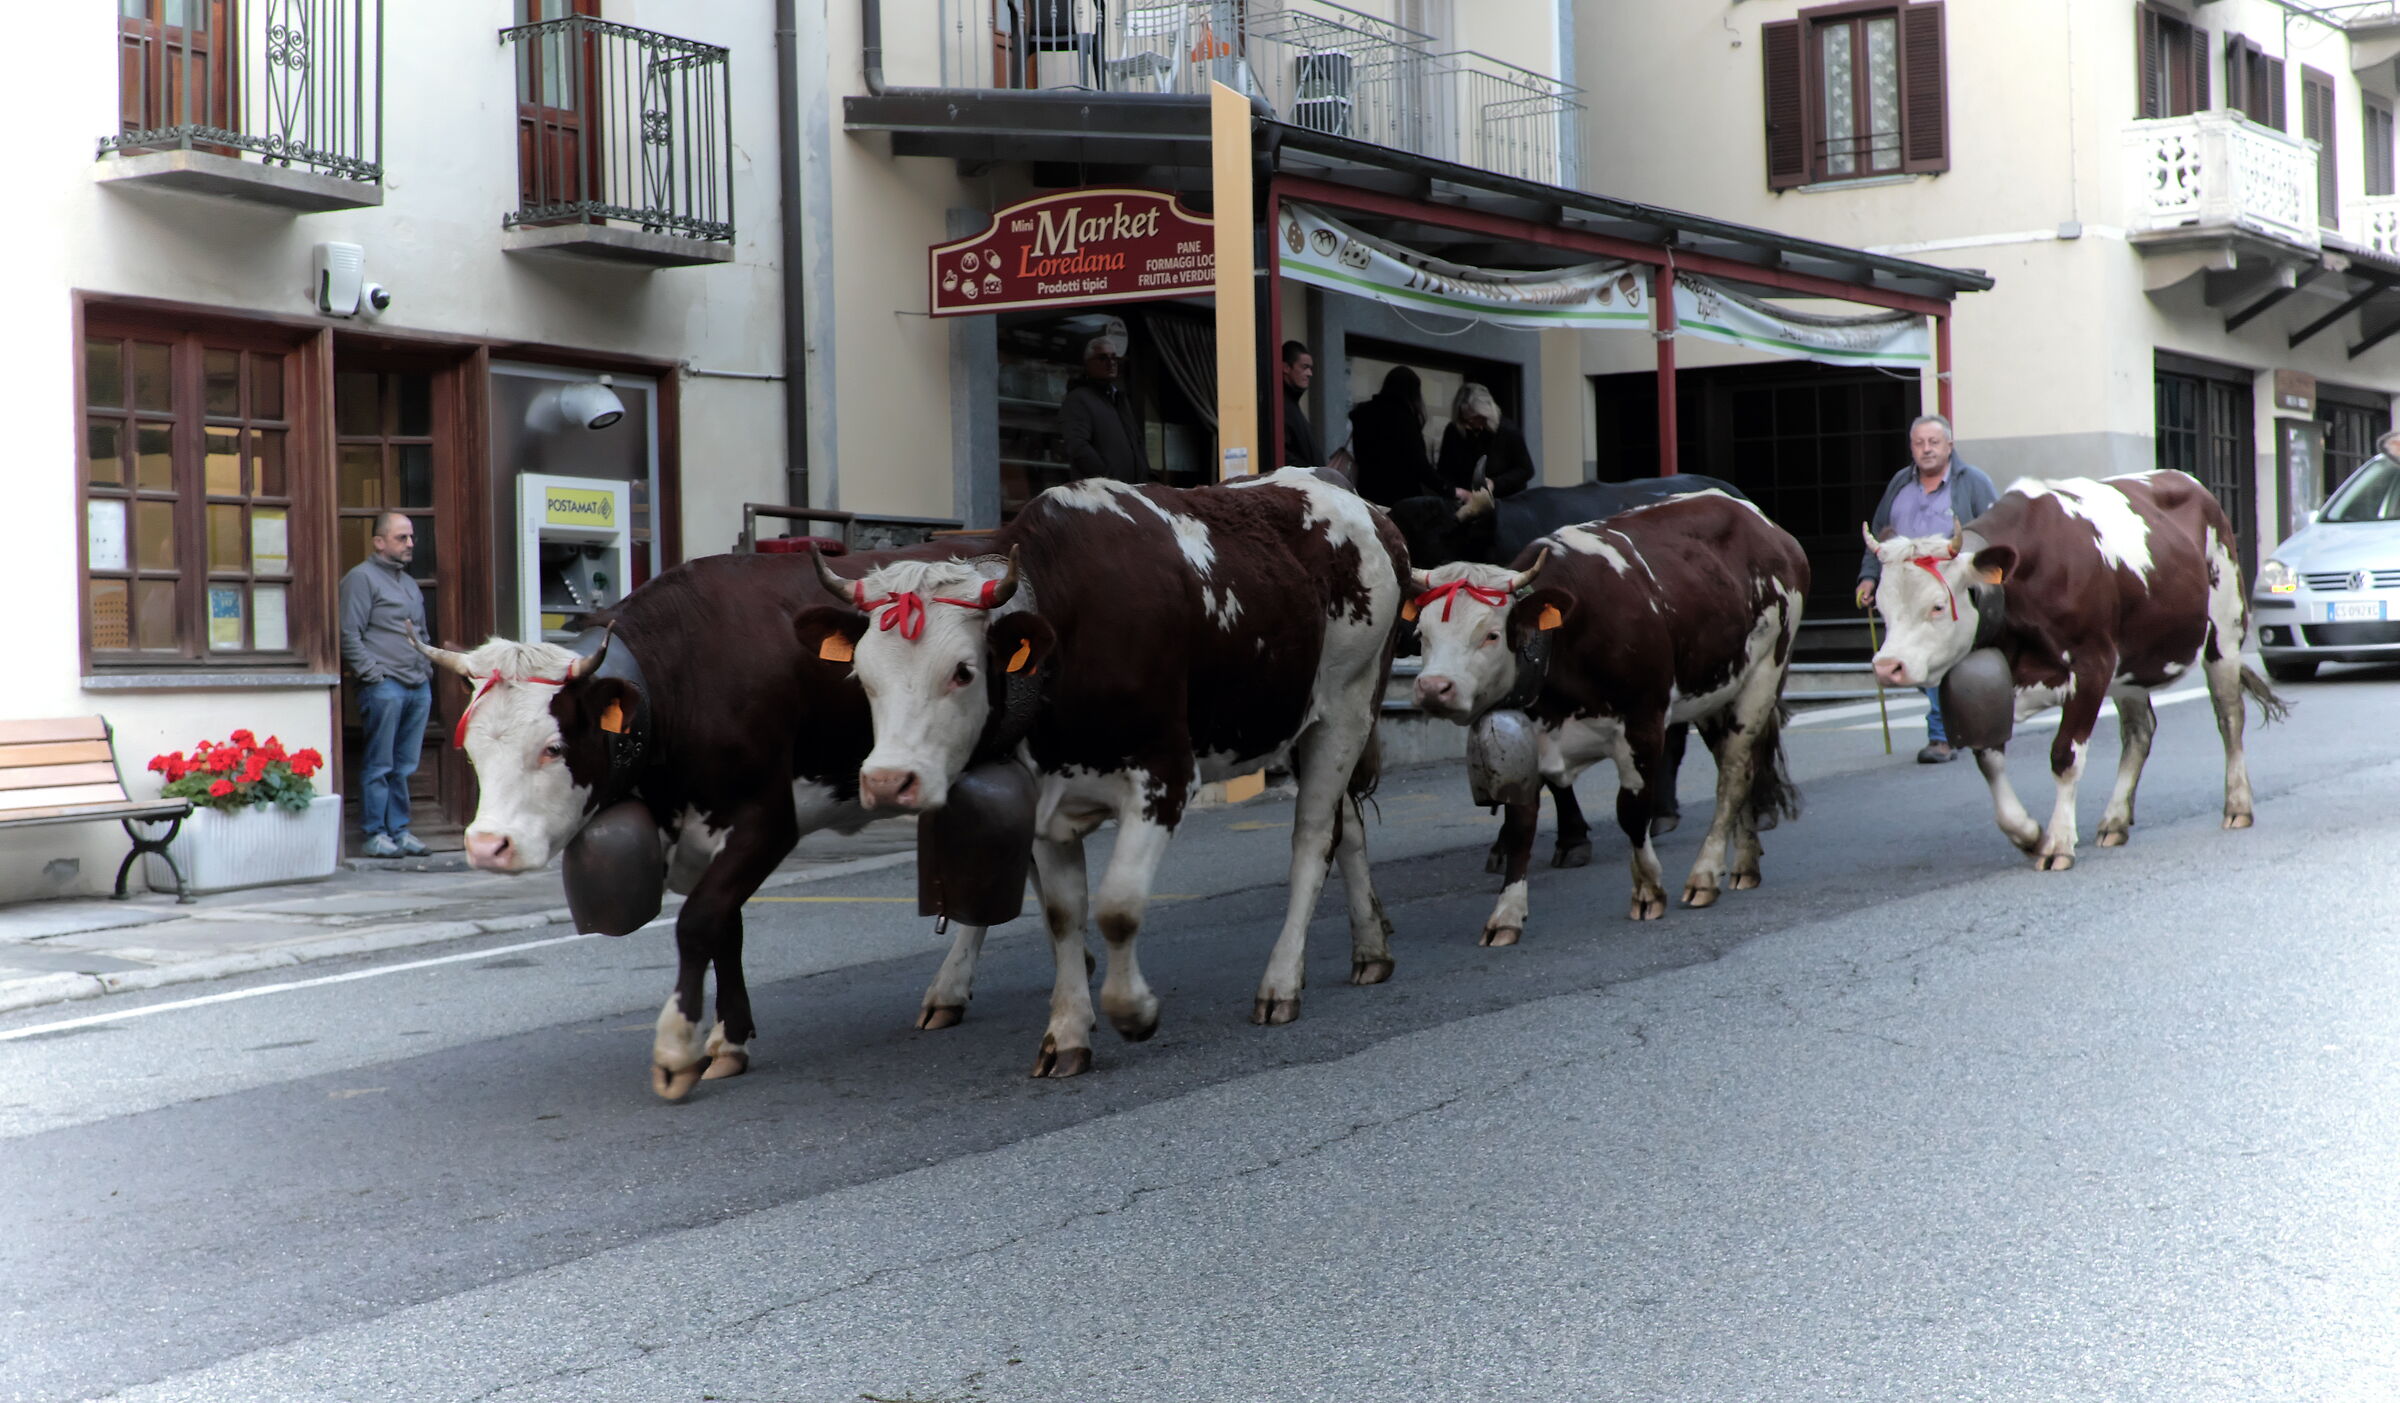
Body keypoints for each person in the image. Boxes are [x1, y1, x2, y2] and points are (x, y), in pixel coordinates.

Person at [1856, 413, 2001, 765]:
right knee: (1913, 652)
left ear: (1949, 446)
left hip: (1951, 585)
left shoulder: (1973, 481)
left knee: (1934, 652)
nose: (1926, 449)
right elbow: (1878, 535)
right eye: (1919, 443)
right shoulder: (1899, 484)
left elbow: (1995, 529)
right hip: (1906, 587)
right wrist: (1868, 577)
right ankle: (1949, 725)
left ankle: (1940, 735)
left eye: (1934, 442)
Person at [340, 511, 433, 857]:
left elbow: (421, 633)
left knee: (405, 764)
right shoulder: (360, 579)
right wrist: (373, 674)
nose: (410, 544)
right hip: (385, 686)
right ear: (379, 542)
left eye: (411, 538)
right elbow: (349, 634)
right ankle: (375, 833)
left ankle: (400, 831)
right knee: (380, 764)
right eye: (401, 538)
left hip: (416, 685)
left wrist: (426, 669)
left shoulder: (408, 583)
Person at [1058, 336, 1151, 484]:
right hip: (1100, 495)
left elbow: (1137, 442)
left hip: (1131, 492)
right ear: (1088, 364)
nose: (1111, 363)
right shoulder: (1078, 399)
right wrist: (1106, 477)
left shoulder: (1119, 399)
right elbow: (1077, 445)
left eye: (1114, 358)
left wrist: (1145, 476)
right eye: (1103, 358)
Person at [1346, 365, 1442, 507]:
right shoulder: (1404, 419)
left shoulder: (1364, 414)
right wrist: (1449, 489)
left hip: (1368, 495)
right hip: (1401, 500)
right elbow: (1420, 465)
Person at [1435, 383, 1535, 501]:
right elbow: (1444, 471)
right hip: (1465, 501)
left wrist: (1494, 483)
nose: (1470, 425)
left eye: (1477, 418)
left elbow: (1526, 470)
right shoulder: (1453, 431)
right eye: (1465, 420)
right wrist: (1455, 491)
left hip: (1504, 503)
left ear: (1487, 414)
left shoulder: (1507, 431)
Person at [1279, 340, 1323, 467]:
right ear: (1286, 368)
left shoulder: (1291, 404)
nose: (1310, 373)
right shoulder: (1280, 406)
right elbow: (1281, 455)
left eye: (1310, 368)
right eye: (1304, 367)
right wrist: (1309, 473)